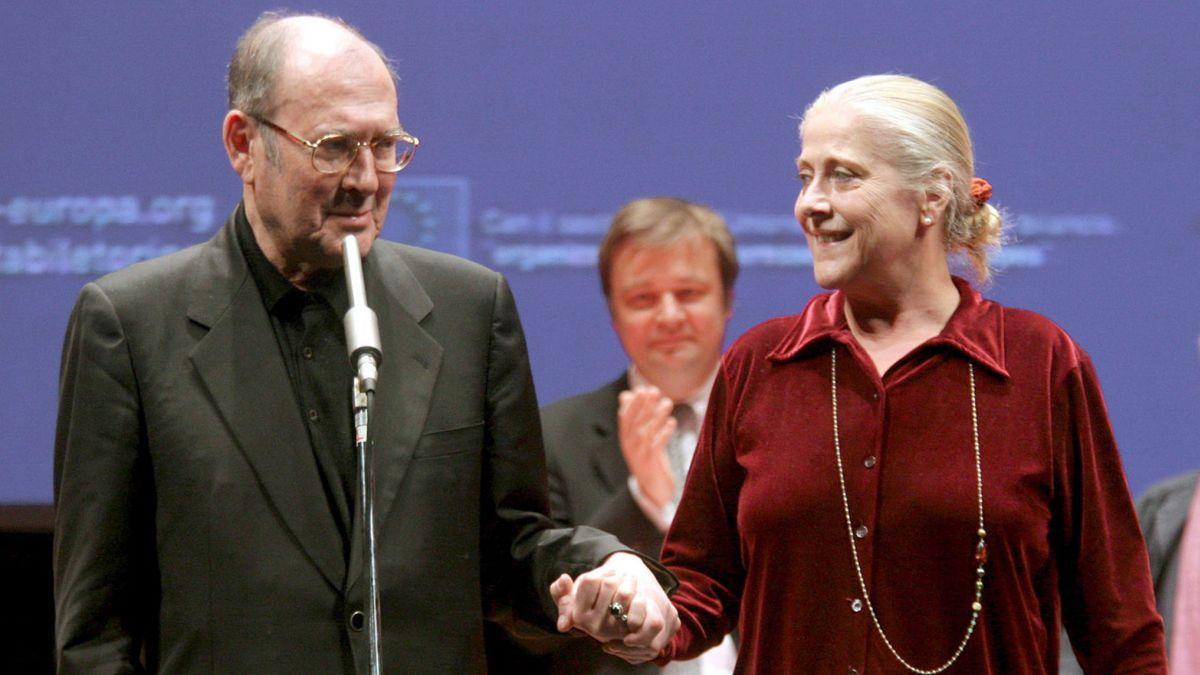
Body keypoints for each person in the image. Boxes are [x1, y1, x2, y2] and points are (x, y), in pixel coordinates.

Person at [52, 12, 674, 673]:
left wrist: (605, 566)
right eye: (333, 146)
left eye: (386, 145)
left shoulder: (470, 309)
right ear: (243, 144)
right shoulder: (130, 324)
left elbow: (513, 547)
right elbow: (95, 636)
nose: (367, 180)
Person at [637, 74, 1167, 672]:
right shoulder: (759, 364)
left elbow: (1119, 626)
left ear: (932, 197)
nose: (811, 202)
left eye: (844, 174)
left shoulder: (1040, 363)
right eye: (805, 175)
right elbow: (701, 584)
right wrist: (640, 614)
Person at [536, 198, 739, 673]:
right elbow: (543, 614)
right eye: (643, 299)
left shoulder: (777, 424)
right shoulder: (552, 436)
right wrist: (639, 501)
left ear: (727, 301)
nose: (669, 316)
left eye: (688, 293)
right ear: (614, 315)